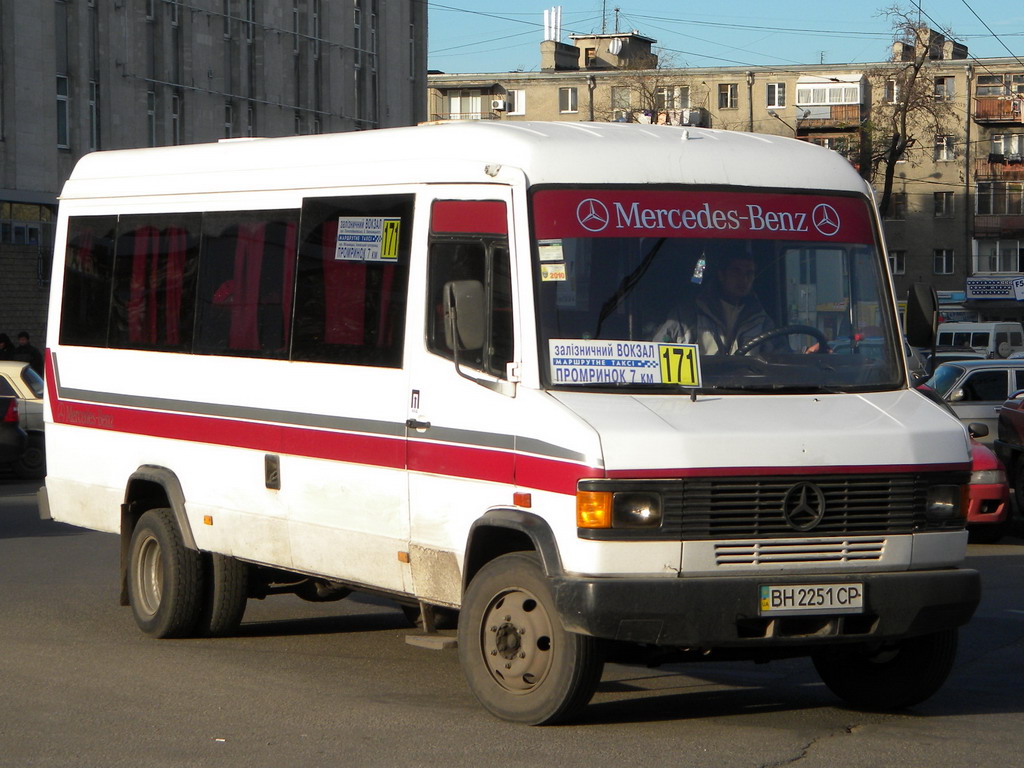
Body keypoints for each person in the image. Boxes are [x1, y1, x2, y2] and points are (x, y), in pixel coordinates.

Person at [654, 253, 775, 355]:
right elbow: (658, 350)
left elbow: (781, 360)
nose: (743, 280)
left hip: (748, 383)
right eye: (736, 272)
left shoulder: (761, 320)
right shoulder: (686, 316)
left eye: (749, 273)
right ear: (721, 275)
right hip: (702, 383)